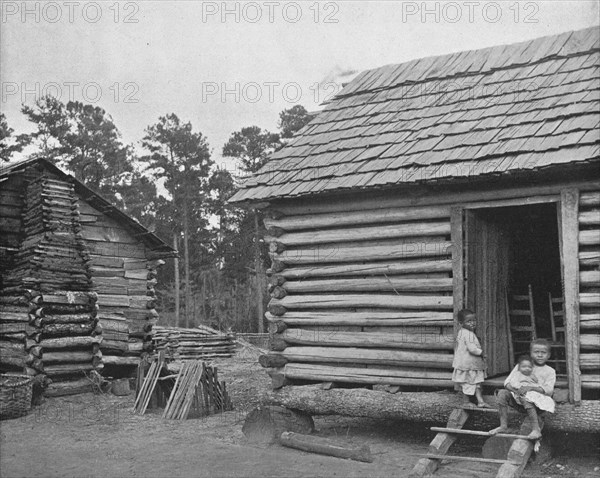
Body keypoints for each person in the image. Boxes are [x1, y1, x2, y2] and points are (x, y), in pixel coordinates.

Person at [490, 339, 556, 440]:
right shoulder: (523, 365)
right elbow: (506, 383)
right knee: (502, 393)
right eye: (536, 352)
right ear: (531, 353)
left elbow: (549, 390)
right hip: (519, 400)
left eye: (543, 353)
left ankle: (536, 430)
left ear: (548, 355)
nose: (539, 355)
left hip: (538, 405)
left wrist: (530, 388)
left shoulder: (550, 371)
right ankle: (503, 425)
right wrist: (517, 391)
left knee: (527, 397)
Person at [452, 309, 489, 408]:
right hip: (468, 365)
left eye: (474, 320)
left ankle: (480, 401)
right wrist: (481, 353)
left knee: (475, 382)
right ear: (461, 323)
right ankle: (466, 401)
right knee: (469, 382)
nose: (472, 323)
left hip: (469, 364)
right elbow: (472, 349)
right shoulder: (467, 334)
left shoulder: (462, 332)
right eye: (469, 321)